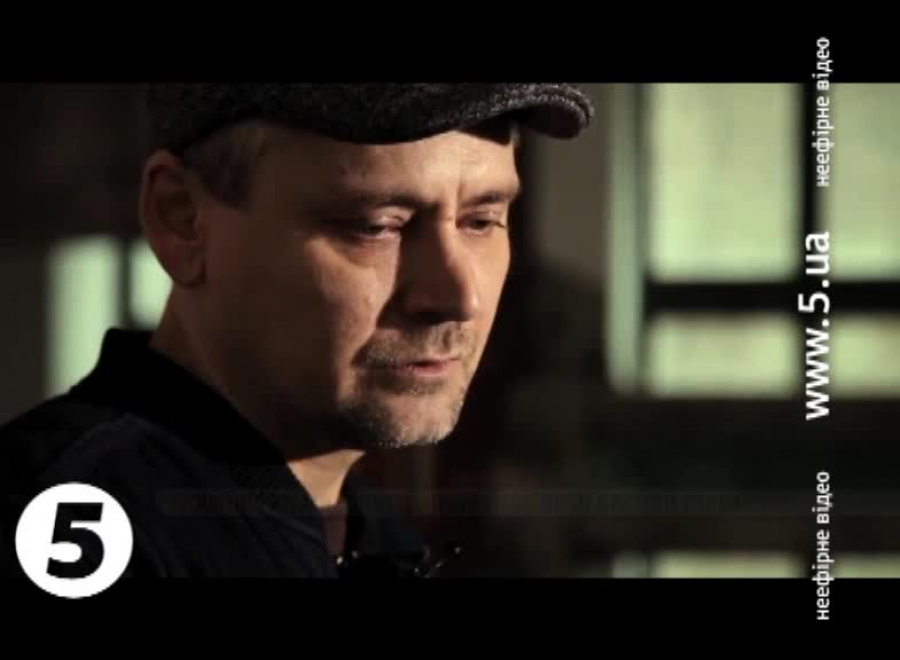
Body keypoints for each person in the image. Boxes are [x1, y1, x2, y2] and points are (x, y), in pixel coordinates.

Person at [0, 84, 594, 579]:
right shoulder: (68, 526)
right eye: (376, 226)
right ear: (181, 219)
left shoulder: (371, 532)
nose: (459, 297)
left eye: (482, 221)